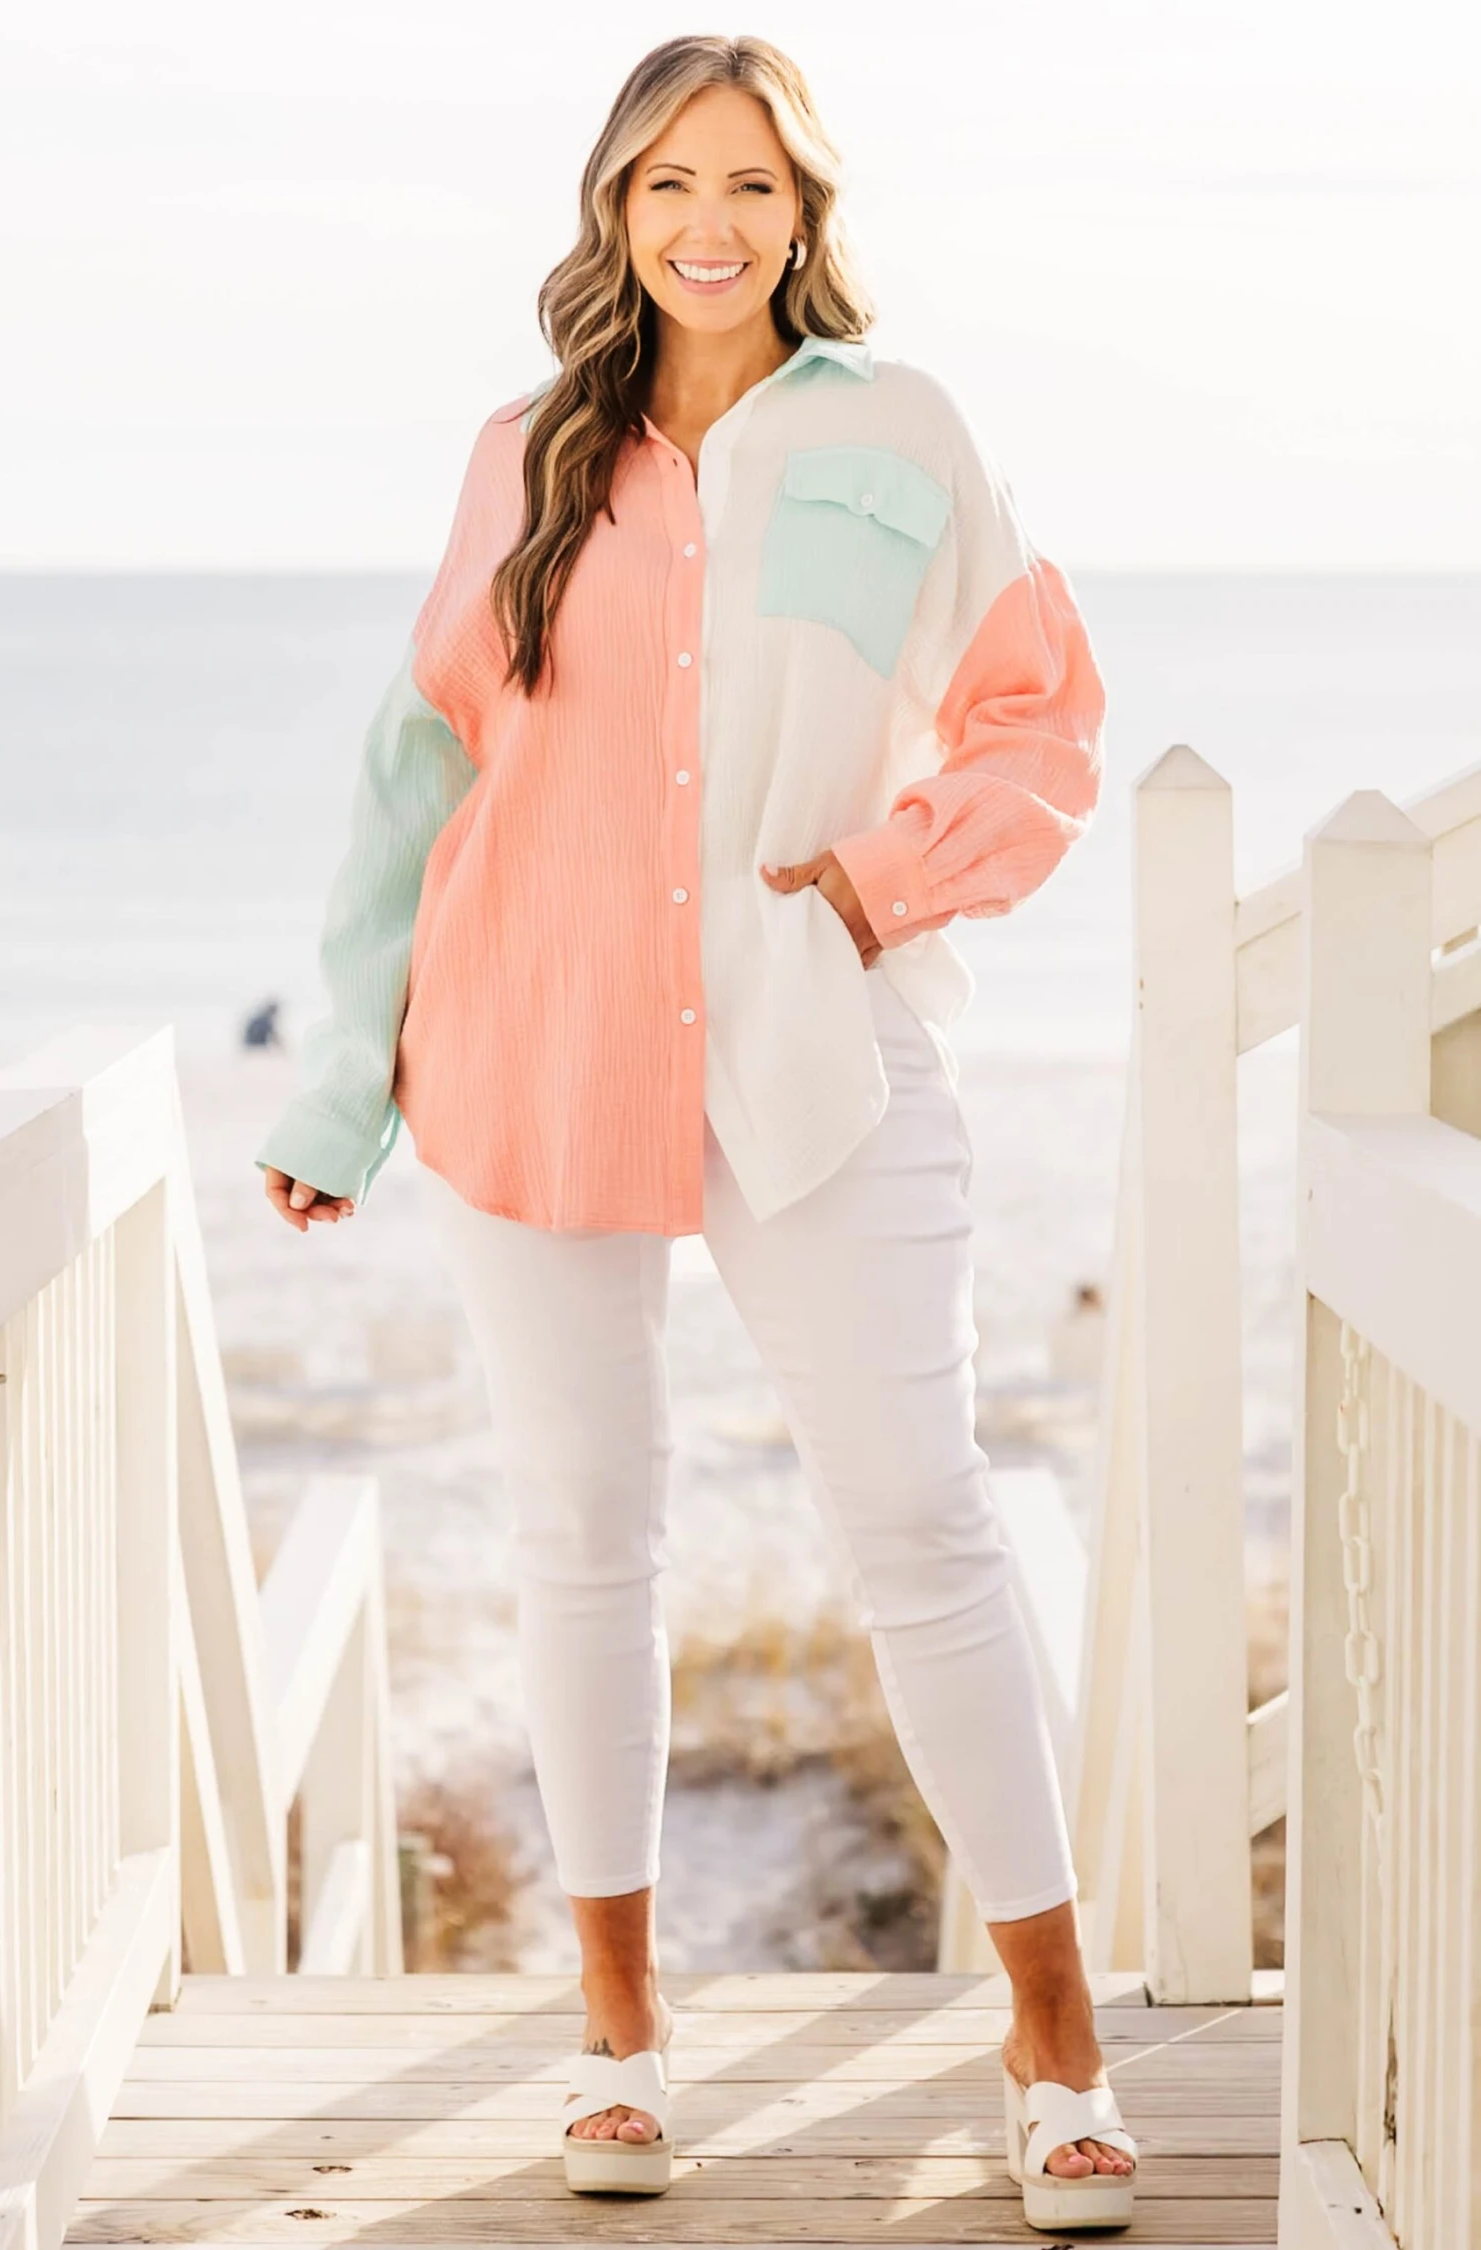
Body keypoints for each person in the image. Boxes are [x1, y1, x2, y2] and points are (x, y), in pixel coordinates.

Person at [255, 32, 1136, 2233]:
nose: (709, 224)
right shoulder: (525, 455)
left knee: (922, 1519)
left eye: (749, 183)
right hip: (534, 1036)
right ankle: (620, 2035)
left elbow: (1042, 722)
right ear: (615, 211)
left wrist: (880, 879)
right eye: (668, 184)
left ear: (805, 209)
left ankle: (1056, 2042)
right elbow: (417, 771)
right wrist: (344, 1081)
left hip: (814, 1048)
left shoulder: (906, 434)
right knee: (584, 1532)